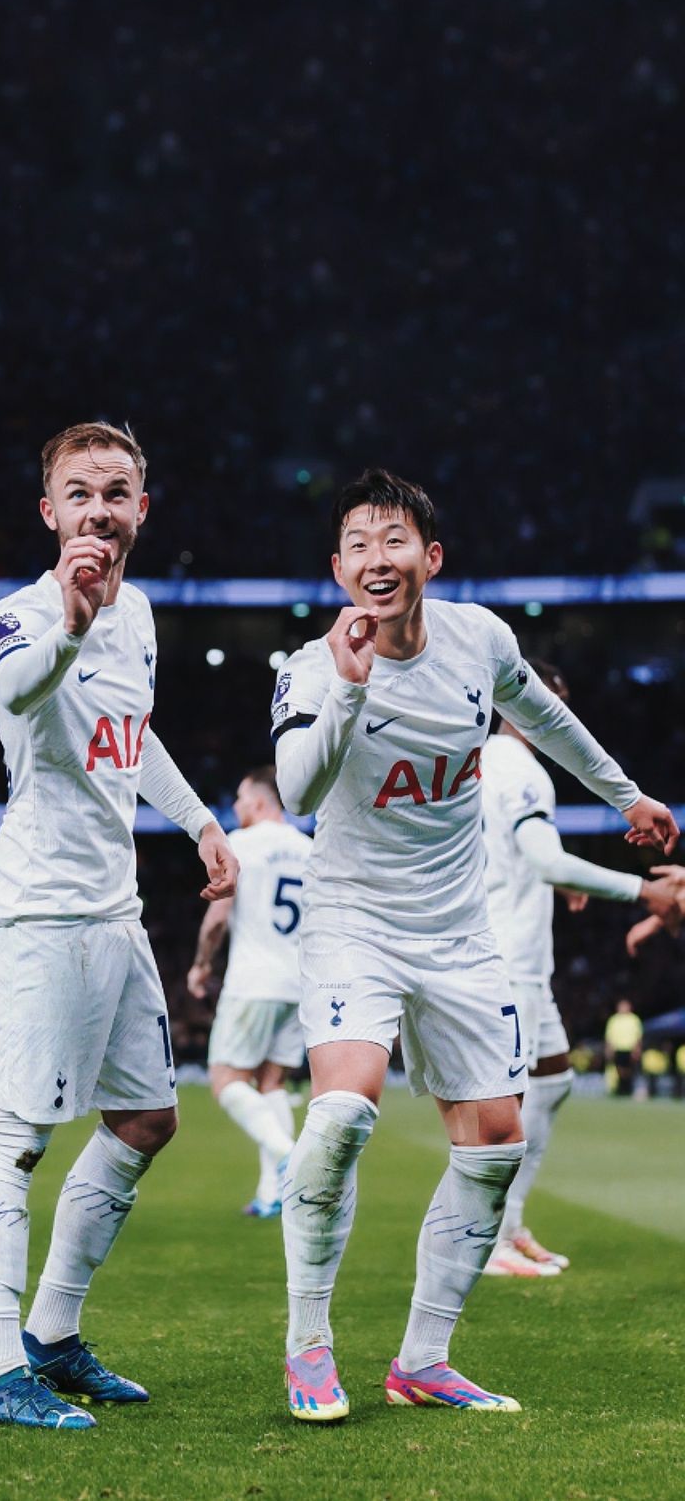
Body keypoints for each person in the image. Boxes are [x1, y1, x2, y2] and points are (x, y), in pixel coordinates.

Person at [270, 467, 678, 1423]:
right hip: (354, 919)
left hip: (457, 928)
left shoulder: (480, 638)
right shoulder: (310, 663)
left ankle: (423, 1359)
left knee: (495, 1141)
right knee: (339, 1115)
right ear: (338, 567)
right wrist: (348, 690)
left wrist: (627, 796)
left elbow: (544, 716)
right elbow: (294, 792)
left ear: (431, 556)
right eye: (360, 544)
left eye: (395, 539)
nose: (379, 559)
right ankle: (309, 1348)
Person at [0, 421, 238, 1431]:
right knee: (16, 1137)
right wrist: (73, 620)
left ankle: (52, 1335)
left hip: (114, 910)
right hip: (38, 913)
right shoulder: (16, 618)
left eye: (116, 493)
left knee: (145, 1121)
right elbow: (18, 690)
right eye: (79, 494)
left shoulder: (146, 615)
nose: (98, 511)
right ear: (51, 513)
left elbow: (134, 735)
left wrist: (202, 821)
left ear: (140, 512)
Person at [480, 660, 682, 1278]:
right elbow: (542, 857)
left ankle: (509, 1227)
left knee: (553, 1079)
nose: (555, 716)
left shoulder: (482, 762)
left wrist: (559, 878)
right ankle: (485, 1242)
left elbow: (521, 857)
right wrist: (641, 893)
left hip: (515, 956)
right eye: (546, 701)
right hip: (503, 958)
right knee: (499, 1110)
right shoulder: (519, 769)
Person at [187, 766, 311, 1216]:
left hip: (253, 980)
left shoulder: (242, 845)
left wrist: (201, 965)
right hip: (297, 983)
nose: (236, 807)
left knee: (226, 1081)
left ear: (260, 803)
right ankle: (272, 1194)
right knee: (272, 1083)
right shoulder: (309, 850)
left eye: (240, 798)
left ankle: (291, 1158)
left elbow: (218, 918)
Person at [604, 999, 643, 1095]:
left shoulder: (634, 1019)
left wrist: (637, 1049)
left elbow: (638, 1036)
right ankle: (621, 1088)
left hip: (630, 1049)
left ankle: (627, 1089)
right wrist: (609, 1048)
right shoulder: (613, 1020)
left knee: (629, 1070)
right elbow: (609, 1036)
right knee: (619, 1070)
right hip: (618, 1048)